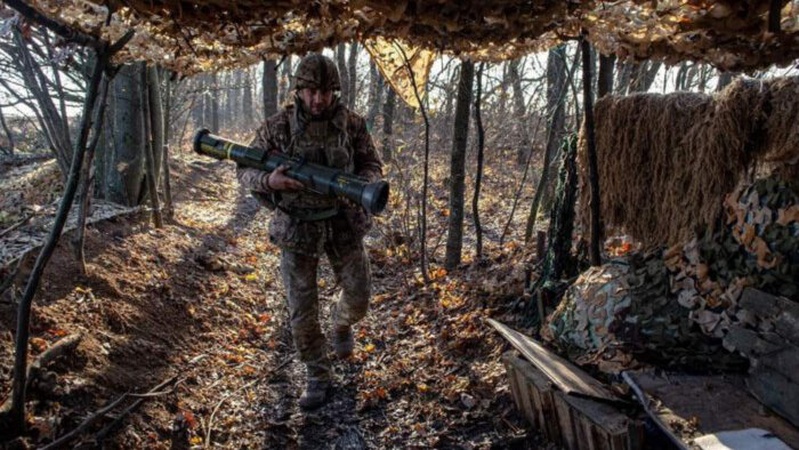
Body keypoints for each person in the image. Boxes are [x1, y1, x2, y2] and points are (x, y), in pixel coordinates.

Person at [236, 53, 384, 410]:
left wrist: (361, 184)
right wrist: (269, 181)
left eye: (325, 92)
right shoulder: (277, 127)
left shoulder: (352, 124)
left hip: (342, 220)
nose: (318, 99)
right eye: (310, 91)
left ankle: (341, 324)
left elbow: (371, 163)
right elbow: (244, 169)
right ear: (298, 90)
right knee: (302, 310)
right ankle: (318, 375)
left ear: (335, 91)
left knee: (360, 294)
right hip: (296, 225)